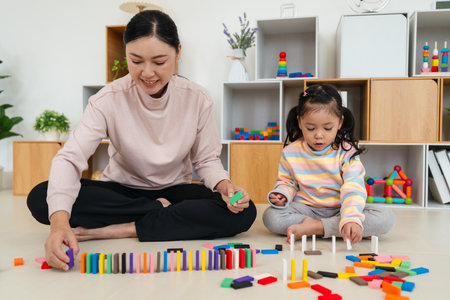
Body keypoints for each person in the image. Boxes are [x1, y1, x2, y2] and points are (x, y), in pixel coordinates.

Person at [27, 10, 256, 271]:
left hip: (174, 190)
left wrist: (225, 186)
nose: (147, 73)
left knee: (244, 213)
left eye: (159, 62)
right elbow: (70, 158)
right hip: (122, 191)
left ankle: (122, 229)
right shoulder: (107, 99)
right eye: (136, 61)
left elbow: (206, 159)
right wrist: (58, 224)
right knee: (40, 197)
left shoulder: (197, 98)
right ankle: (154, 213)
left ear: (178, 52)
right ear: (126, 54)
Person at [262, 84, 394, 246]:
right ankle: (335, 228)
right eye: (310, 128)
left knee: (385, 218)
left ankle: (316, 228)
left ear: (339, 123)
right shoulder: (291, 151)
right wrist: (282, 194)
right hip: (305, 209)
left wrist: (350, 217)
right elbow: (287, 182)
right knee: (271, 217)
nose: (318, 135)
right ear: (300, 122)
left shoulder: (346, 151)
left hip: (341, 208)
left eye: (327, 128)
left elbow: (353, 186)